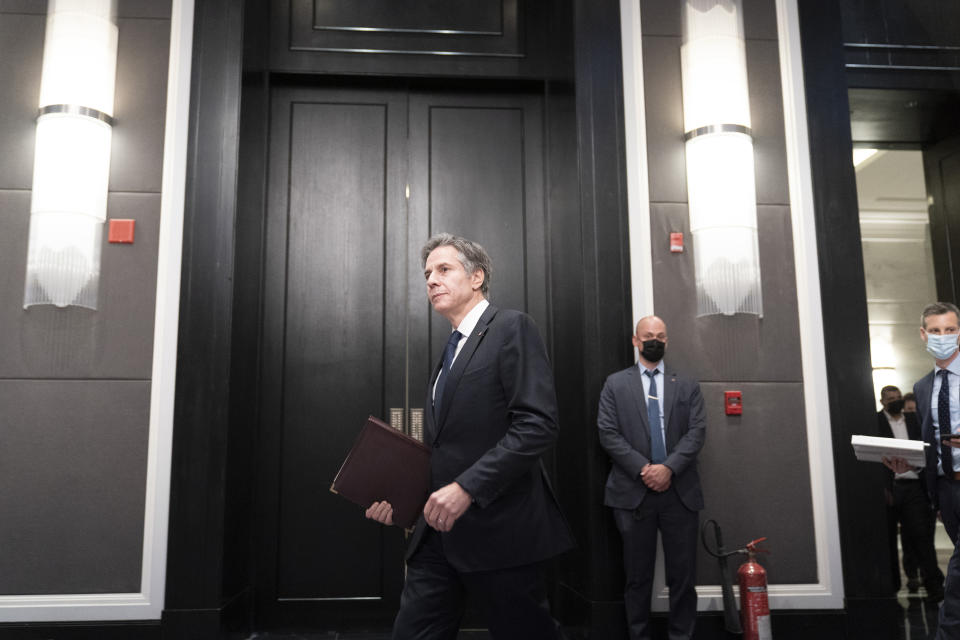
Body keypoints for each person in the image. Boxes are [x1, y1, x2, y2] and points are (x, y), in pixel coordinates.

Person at [365, 233, 575, 640]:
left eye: (444, 269)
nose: (431, 280)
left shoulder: (511, 327)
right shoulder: (448, 352)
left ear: (477, 277)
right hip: (436, 537)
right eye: (427, 274)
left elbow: (537, 424)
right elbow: (445, 449)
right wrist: (400, 501)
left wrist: (467, 488)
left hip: (501, 531)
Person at [597, 316, 706, 640]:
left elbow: (697, 432)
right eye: (648, 336)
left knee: (683, 578)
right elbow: (607, 432)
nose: (654, 340)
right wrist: (646, 470)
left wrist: (668, 468)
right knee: (637, 577)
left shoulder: (687, 384)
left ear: (667, 341)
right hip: (633, 493)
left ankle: (681, 636)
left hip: (680, 492)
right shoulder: (615, 384)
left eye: (660, 336)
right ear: (635, 340)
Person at [876, 385, 943, 600]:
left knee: (922, 537)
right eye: (891, 399)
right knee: (886, 540)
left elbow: (927, 450)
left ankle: (934, 584)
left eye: (898, 398)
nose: (896, 401)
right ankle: (891, 586)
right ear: (882, 402)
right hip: (889, 487)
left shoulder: (914, 420)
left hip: (914, 485)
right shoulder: (874, 421)